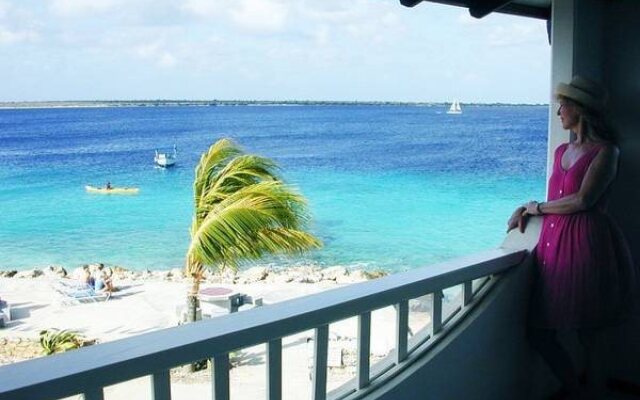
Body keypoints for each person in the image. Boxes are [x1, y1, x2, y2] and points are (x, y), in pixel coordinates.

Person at [507, 76, 637, 399]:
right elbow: (559, 196)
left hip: (587, 246)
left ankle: (592, 394)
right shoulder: (562, 150)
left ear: (580, 109)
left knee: (589, 335)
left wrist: (536, 207)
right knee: (539, 331)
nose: (559, 111)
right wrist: (528, 208)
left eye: (564, 104)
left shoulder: (607, 151)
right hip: (553, 248)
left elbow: (583, 200)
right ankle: (578, 391)